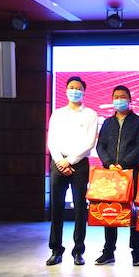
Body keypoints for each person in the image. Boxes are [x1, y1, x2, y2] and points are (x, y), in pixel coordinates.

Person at [46, 76, 98, 266]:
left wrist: (70, 161)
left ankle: (78, 251)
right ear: (66, 90)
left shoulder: (91, 114)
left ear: (84, 91)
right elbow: (52, 140)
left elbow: (90, 142)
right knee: (56, 207)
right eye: (71, 87)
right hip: (58, 162)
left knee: (80, 208)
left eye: (78, 88)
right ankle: (56, 250)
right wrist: (60, 161)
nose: (74, 90)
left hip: (80, 163)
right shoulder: (58, 114)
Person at [94, 86, 139, 266]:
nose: (119, 100)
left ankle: (137, 253)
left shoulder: (138, 122)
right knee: (110, 212)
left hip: (131, 173)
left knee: (135, 212)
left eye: (122, 97)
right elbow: (100, 146)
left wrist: (122, 164)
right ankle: (108, 251)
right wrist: (109, 164)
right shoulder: (108, 122)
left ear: (129, 100)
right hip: (110, 174)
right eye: (116, 97)